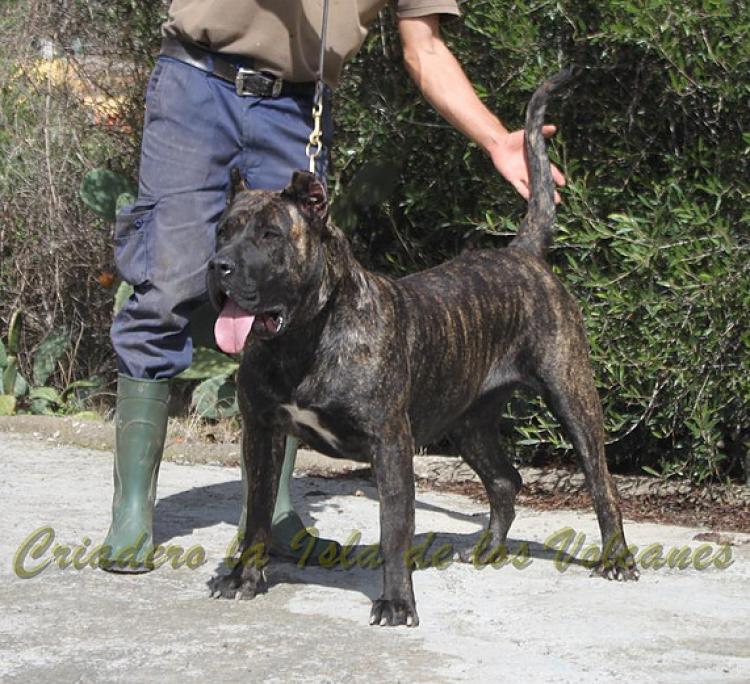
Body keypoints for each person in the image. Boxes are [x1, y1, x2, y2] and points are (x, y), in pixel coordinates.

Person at [103, 0, 566, 571]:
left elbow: (424, 47)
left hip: (295, 104)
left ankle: (274, 512)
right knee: (165, 282)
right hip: (196, 82)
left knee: (290, 301)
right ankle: (131, 513)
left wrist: (496, 138)